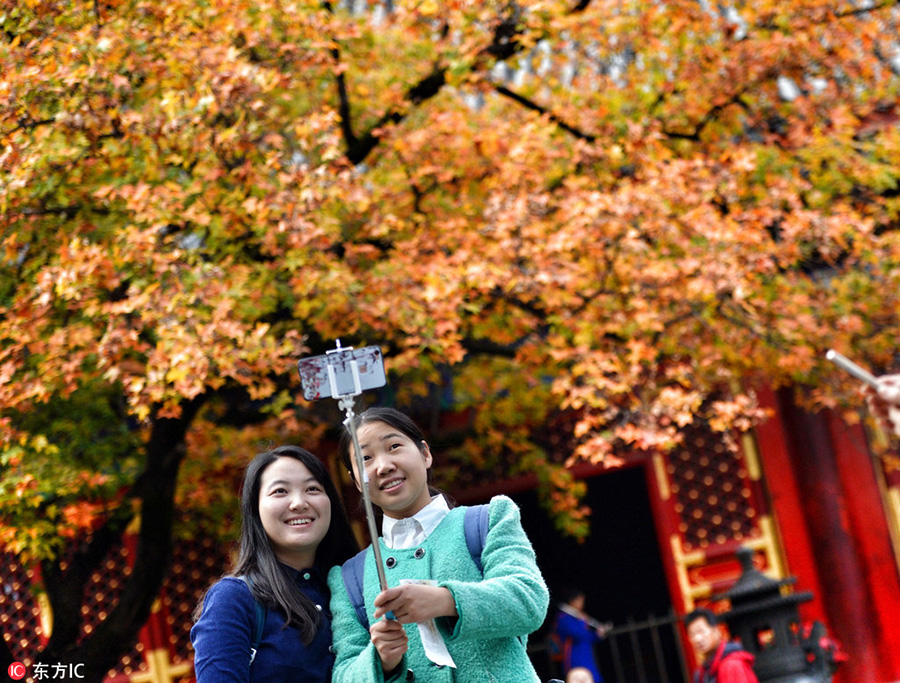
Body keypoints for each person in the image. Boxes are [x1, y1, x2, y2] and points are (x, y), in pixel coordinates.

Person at [327, 406, 550, 682]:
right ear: (357, 483)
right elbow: (343, 674)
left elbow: (529, 601)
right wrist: (380, 661)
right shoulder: (350, 577)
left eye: (394, 446)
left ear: (425, 454)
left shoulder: (488, 521)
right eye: (365, 459)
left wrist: (447, 601)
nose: (383, 466)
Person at [191, 445, 359, 682]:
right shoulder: (234, 600)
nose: (299, 503)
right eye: (280, 491)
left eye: (312, 489)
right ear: (255, 509)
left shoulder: (356, 587)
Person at [551, 587, 610, 683]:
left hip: (586, 655)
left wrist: (597, 635)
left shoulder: (577, 616)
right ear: (572, 601)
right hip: (574, 657)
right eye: (580, 600)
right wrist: (582, 622)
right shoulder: (563, 618)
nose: (582, 603)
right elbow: (578, 635)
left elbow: (587, 638)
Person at [685, 608, 758, 683]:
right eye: (692, 635)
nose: (697, 639)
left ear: (716, 631)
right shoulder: (702, 673)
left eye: (701, 631)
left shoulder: (731, 666)